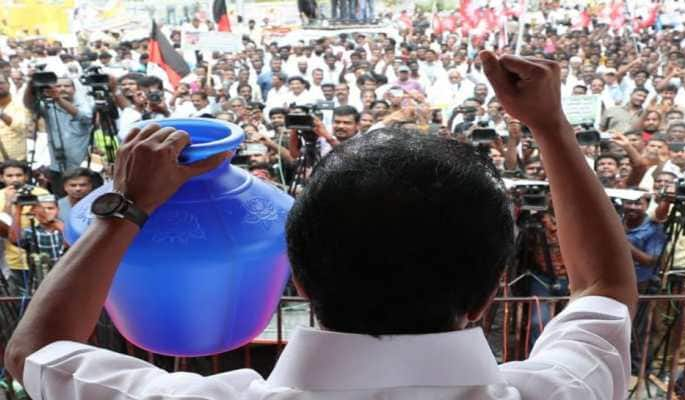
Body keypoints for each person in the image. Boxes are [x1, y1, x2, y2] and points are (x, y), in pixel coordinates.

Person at [5, 53, 637, 400]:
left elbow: (32, 353)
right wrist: (550, 126)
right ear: (488, 295)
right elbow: (606, 289)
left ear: (301, 285)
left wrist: (124, 208)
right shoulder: (563, 389)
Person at [23, 76, 93, 187]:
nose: (62, 89)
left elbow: (85, 117)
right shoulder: (48, 105)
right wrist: (31, 85)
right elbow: (29, 104)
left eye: (67, 86)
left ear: (74, 89)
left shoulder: (85, 104)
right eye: (58, 86)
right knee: (61, 201)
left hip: (82, 167)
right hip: (57, 167)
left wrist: (59, 100)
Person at [0, 160, 48, 296]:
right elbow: (3, 231)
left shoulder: (41, 193)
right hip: (14, 259)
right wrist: (9, 202)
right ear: (2, 177)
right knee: (23, 299)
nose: (14, 179)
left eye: (18, 175)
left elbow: (49, 222)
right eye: (9, 176)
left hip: (43, 256)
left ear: (26, 177)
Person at [0, 73, 28, 162]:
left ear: (8, 84)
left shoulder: (21, 103)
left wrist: (2, 114)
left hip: (16, 162)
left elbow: (22, 127)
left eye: (1, 83)